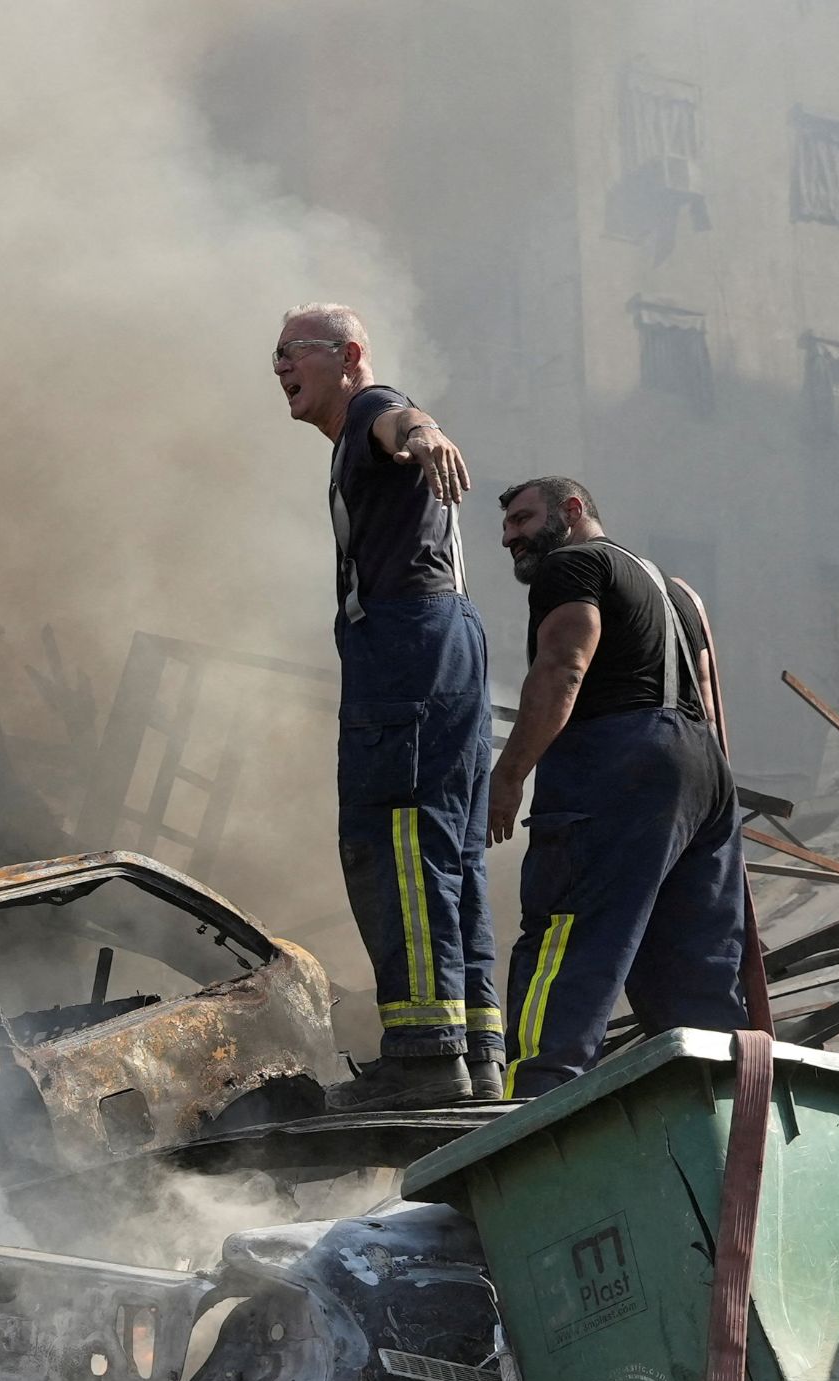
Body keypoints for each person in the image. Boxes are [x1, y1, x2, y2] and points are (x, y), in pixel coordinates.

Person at [272, 304, 502, 1108]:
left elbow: (402, 420)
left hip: (407, 644)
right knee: (449, 853)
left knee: (397, 840)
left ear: (349, 356)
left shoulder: (373, 409)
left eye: (292, 352)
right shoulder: (353, 441)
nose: (278, 368)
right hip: (445, 640)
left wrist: (425, 433)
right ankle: (475, 1052)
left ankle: (424, 1055)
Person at [485, 475, 750, 1098]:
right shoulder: (676, 592)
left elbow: (563, 667)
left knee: (568, 932)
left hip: (617, 761)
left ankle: (534, 1098)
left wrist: (508, 776)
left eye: (522, 520)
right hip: (702, 770)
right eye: (506, 528)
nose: (510, 538)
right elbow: (710, 702)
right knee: (695, 957)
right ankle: (718, 1101)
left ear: (572, 510)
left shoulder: (572, 566)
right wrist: (713, 805)